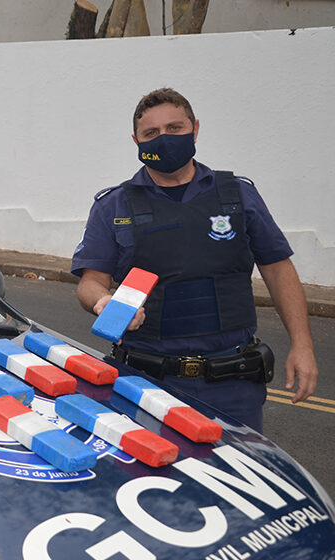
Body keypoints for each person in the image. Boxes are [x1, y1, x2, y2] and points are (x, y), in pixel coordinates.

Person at [72, 87, 317, 433]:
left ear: (195, 129)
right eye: (151, 133)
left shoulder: (238, 195)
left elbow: (278, 269)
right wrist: (102, 301)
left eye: (175, 128)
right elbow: (90, 282)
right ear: (136, 140)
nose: (164, 139)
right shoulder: (113, 206)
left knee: (236, 483)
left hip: (233, 383)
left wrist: (302, 345)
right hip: (146, 384)